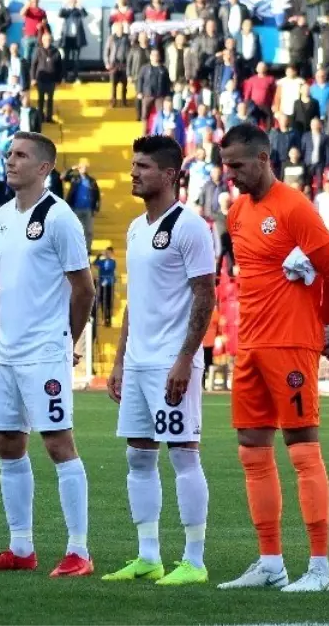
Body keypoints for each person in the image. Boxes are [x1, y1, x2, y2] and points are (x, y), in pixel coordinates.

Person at [216, 123, 329, 592]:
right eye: (225, 164)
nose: (230, 173)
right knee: (252, 452)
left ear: (263, 159)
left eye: (237, 164)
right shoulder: (236, 213)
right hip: (249, 346)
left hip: (291, 343)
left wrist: (321, 324)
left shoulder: (295, 208)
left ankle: (319, 569)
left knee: (302, 451)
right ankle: (271, 562)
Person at [0, 132, 97, 576]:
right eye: (9, 155)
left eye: (21, 156)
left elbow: (84, 289)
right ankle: (21, 549)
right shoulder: (1, 217)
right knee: (7, 442)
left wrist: (66, 339)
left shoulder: (60, 218)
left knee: (58, 443)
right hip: (5, 350)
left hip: (45, 349)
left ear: (44, 168)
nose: (10, 162)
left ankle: (79, 551)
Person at [104, 136, 215, 586]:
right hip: (137, 362)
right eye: (133, 165)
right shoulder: (135, 228)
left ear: (169, 175)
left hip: (173, 362)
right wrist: (118, 360)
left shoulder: (189, 226)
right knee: (138, 458)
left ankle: (193, 559)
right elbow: (136, 299)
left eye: (143, 167)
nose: (133, 173)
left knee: (184, 456)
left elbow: (205, 295)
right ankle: (148, 554)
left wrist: (186, 358)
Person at [94, 247, 116, 327]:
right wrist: (99, 255)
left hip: (109, 284)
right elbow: (95, 263)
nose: (107, 254)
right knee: (102, 301)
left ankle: (108, 319)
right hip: (102, 283)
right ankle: (104, 318)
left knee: (109, 302)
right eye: (107, 253)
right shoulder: (102, 261)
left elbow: (109, 269)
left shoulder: (113, 262)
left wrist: (102, 269)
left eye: (109, 253)